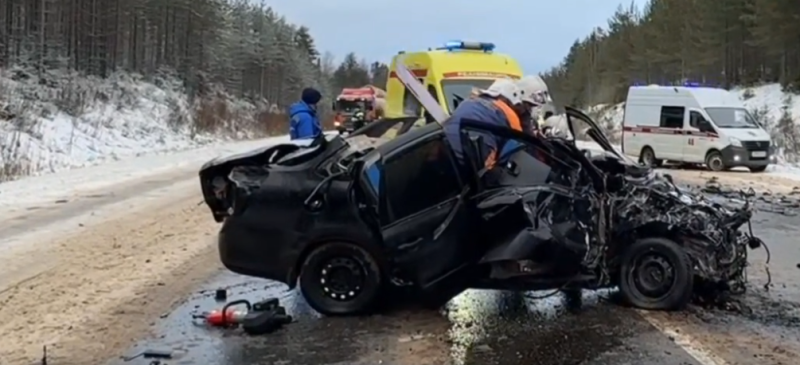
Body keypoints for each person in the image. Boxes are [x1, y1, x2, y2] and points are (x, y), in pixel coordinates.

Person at [443, 78, 524, 171]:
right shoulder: (509, 114)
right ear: (506, 100)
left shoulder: (468, 102)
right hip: (473, 167)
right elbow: (517, 147)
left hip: (445, 153)